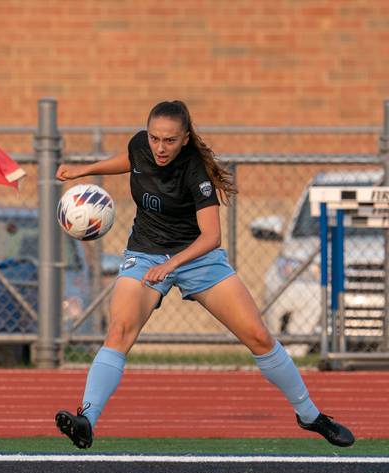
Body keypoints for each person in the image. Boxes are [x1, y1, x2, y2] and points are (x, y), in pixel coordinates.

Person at [54, 100, 355, 450]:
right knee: (119, 331)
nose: (160, 148)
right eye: (154, 139)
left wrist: (171, 265)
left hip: (198, 257)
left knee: (258, 336)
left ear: (184, 139)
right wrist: (84, 171)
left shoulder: (196, 170)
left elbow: (212, 236)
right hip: (144, 253)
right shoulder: (141, 145)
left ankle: (310, 415)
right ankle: (86, 419)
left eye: (169, 140)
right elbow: (132, 161)